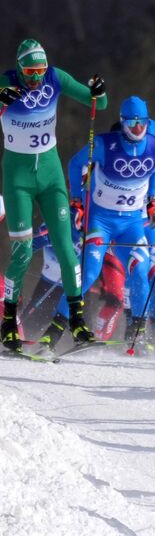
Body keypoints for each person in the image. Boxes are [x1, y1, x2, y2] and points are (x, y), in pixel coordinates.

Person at [1, 39, 107, 350]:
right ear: (19, 68)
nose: (35, 79)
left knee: (66, 249)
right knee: (21, 253)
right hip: (18, 178)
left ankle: (77, 322)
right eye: (30, 72)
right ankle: (7, 322)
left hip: (50, 177)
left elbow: (97, 104)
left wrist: (99, 90)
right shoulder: (6, 82)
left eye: (40, 71)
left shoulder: (56, 78)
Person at [64, 96, 155, 350]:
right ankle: (123, 328)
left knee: (154, 272)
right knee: (109, 274)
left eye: (143, 125)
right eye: (133, 124)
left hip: (145, 223)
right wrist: (78, 205)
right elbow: (85, 178)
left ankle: (152, 331)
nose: (138, 130)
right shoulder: (112, 150)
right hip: (115, 220)